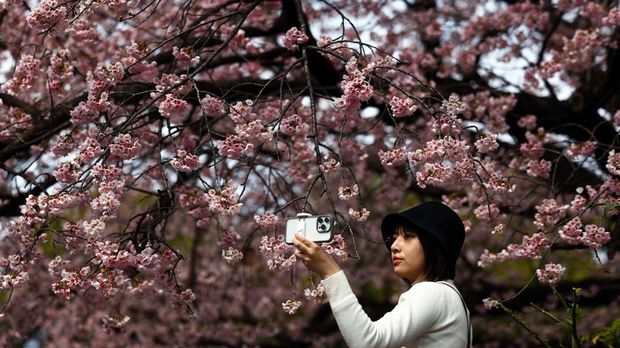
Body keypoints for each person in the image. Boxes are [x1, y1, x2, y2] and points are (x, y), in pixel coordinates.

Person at [293, 201, 472, 348]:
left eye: (408, 236)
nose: (394, 246)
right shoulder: (449, 295)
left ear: (434, 246)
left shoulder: (433, 293)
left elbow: (367, 342)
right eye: (394, 238)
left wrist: (330, 271)